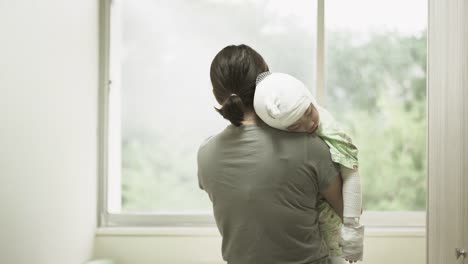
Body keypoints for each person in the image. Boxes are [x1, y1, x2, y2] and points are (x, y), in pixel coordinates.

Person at [197, 44, 344, 264]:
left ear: (218, 96)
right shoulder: (310, 146)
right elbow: (349, 209)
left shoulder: (206, 155)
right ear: (267, 84)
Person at [253, 72, 365, 263]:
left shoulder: (328, 127)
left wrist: (352, 228)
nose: (310, 123)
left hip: (333, 218)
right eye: (296, 127)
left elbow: (351, 172)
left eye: (308, 112)